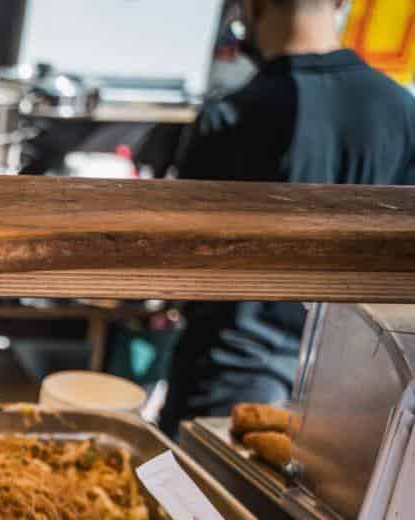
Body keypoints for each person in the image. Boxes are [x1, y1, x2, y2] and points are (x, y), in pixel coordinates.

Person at [160, 0, 415, 436]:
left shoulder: (230, 118)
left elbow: (179, 265)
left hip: (228, 380)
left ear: (252, 6)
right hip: (346, 398)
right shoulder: (403, 114)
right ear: (340, 2)